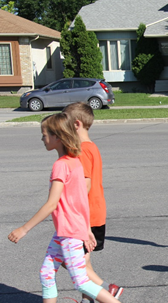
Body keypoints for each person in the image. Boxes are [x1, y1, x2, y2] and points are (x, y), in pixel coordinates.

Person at [7, 113, 121, 303]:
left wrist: (23, 229)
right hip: (66, 231)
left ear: (57, 137)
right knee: (46, 273)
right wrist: (86, 230)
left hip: (69, 233)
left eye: (44, 134)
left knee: (81, 282)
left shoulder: (61, 166)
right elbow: (80, 201)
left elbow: (52, 203)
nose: (42, 138)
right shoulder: (74, 161)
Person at [62, 102, 124, 302]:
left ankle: (107, 290)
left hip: (85, 214)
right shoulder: (91, 147)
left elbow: (85, 185)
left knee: (72, 261)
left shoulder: (82, 150)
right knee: (82, 263)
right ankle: (91, 297)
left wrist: (71, 209)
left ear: (76, 124)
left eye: (65, 121)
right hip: (94, 211)